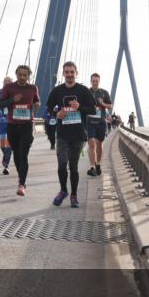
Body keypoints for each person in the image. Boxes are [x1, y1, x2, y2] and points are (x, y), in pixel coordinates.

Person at [46, 61, 96, 209]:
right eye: (66, 72)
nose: (69, 74)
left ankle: (73, 195)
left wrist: (80, 107)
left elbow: (93, 110)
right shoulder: (57, 91)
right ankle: (63, 191)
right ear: (63, 73)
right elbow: (49, 107)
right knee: (62, 165)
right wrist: (57, 113)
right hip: (62, 134)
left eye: (71, 72)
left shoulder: (83, 91)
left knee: (73, 167)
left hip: (78, 135)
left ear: (76, 73)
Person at [0, 65, 40, 196]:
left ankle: (21, 184)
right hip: (12, 125)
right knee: (16, 153)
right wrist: (12, 100)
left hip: (27, 125)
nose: (22, 77)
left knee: (23, 154)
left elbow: (37, 102)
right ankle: (22, 178)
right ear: (16, 74)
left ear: (28, 76)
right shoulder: (9, 88)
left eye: (25, 75)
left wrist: (36, 105)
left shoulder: (33, 88)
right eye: (20, 74)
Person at [86, 73, 113, 177]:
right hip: (90, 121)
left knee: (99, 144)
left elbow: (110, 106)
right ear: (91, 81)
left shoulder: (104, 92)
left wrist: (103, 104)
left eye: (96, 81)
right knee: (92, 143)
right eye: (93, 81)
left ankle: (98, 163)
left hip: (101, 122)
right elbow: (81, 105)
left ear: (99, 81)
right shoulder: (86, 92)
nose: (95, 83)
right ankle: (92, 167)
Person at [0, 76, 13, 175]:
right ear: (3, 83)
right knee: (2, 145)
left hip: (12, 121)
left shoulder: (15, 93)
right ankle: (6, 157)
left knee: (9, 144)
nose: (7, 83)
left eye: (9, 81)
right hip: (1, 121)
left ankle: (6, 165)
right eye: (6, 81)